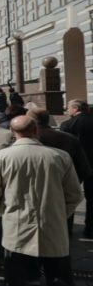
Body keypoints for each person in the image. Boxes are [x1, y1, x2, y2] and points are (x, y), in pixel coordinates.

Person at [0, 116, 90, 286]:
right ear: (36, 131)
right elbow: (74, 194)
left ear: (13, 133)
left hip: (17, 227)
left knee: (14, 280)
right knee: (60, 280)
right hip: (53, 226)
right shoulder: (59, 157)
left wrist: (6, 213)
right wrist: (61, 214)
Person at [60, 99, 93, 237]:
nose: (67, 110)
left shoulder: (67, 124)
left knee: (69, 196)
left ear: (75, 108)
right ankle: (90, 229)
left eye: (68, 107)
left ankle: (67, 229)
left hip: (74, 164)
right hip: (92, 163)